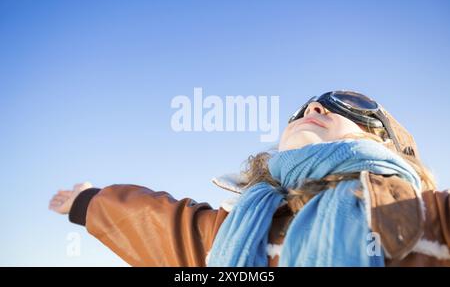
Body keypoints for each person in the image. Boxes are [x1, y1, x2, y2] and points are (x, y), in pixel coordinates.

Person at [49, 90, 450, 266]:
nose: (314, 106)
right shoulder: (240, 229)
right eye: (305, 109)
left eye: (350, 104)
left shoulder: (432, 219)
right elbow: (161, 226)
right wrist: (90, 201)